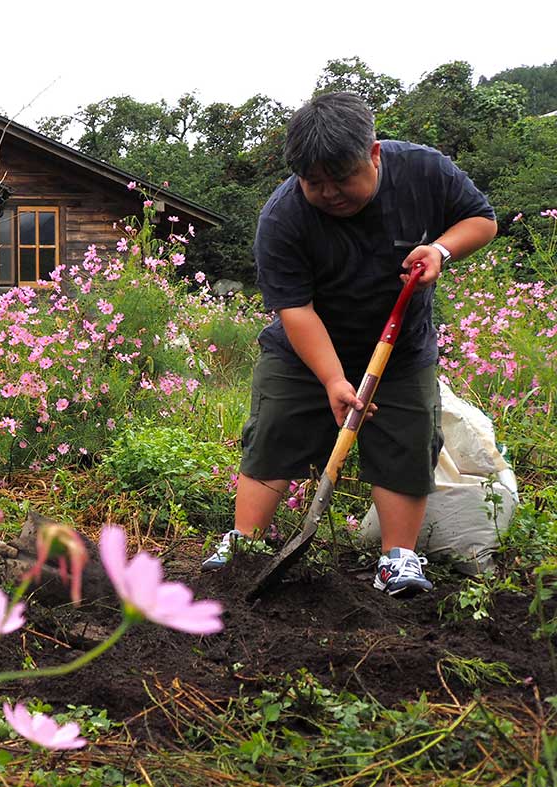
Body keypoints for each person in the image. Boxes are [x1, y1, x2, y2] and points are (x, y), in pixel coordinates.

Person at [202, 92, 497, 596]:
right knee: (274, 429)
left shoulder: (424, 171)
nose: (330, 192)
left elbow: (482, 219)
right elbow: (295, 309)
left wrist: (440, 250)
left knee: (407, 438)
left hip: (400, 348)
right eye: (315, 183)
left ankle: (398, 559)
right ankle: (244, 543)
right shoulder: (283, 217)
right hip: (305, 350)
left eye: (342, 178)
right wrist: (334, 380)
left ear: (374, 154)